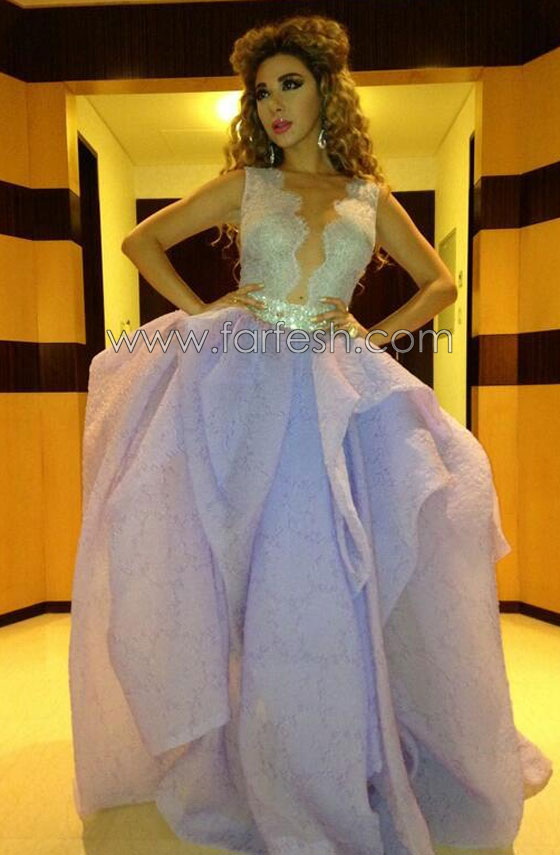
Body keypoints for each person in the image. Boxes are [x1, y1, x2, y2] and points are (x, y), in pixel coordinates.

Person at [68, 13, 552, 855]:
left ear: (328, 89)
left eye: (289, 83)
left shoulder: (369, 198)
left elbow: (441, 284)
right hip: (248, 386)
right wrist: (208, 309)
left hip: (336, 387)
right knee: (253, 576)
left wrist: (373, 334)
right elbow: (142, 240)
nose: (274, 104)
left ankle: (340, 749)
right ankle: (260, 756)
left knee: (347, 567)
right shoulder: (248, 183)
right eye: (261, 92)